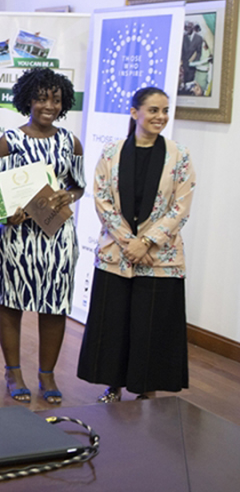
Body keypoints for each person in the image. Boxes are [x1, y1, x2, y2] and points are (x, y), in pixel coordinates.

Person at [77, 87, 195, 402]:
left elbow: (180, 207)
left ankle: (147, 391)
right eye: (154, 110)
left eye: (165, 110)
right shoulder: (111, 152)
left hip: (161, 259)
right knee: (114, 323)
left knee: (152, 326)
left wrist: (146, 242)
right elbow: (101, 200)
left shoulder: (179, 155)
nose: (161, 117)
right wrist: (129, 242)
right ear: (134, 113)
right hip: (117, 253)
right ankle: (112, 386)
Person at [0, 68, 85, 405]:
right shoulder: (8, 141)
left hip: (57, 235)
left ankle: (47, 374)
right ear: (28, 99)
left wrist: (67, 196)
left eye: (56, 100)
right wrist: (8, 213)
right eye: (42, 98)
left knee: (55, 304)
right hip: (17, 236)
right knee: (11, 301)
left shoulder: (70, 141)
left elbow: (78, 185)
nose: (49, 105)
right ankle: (13, 371)